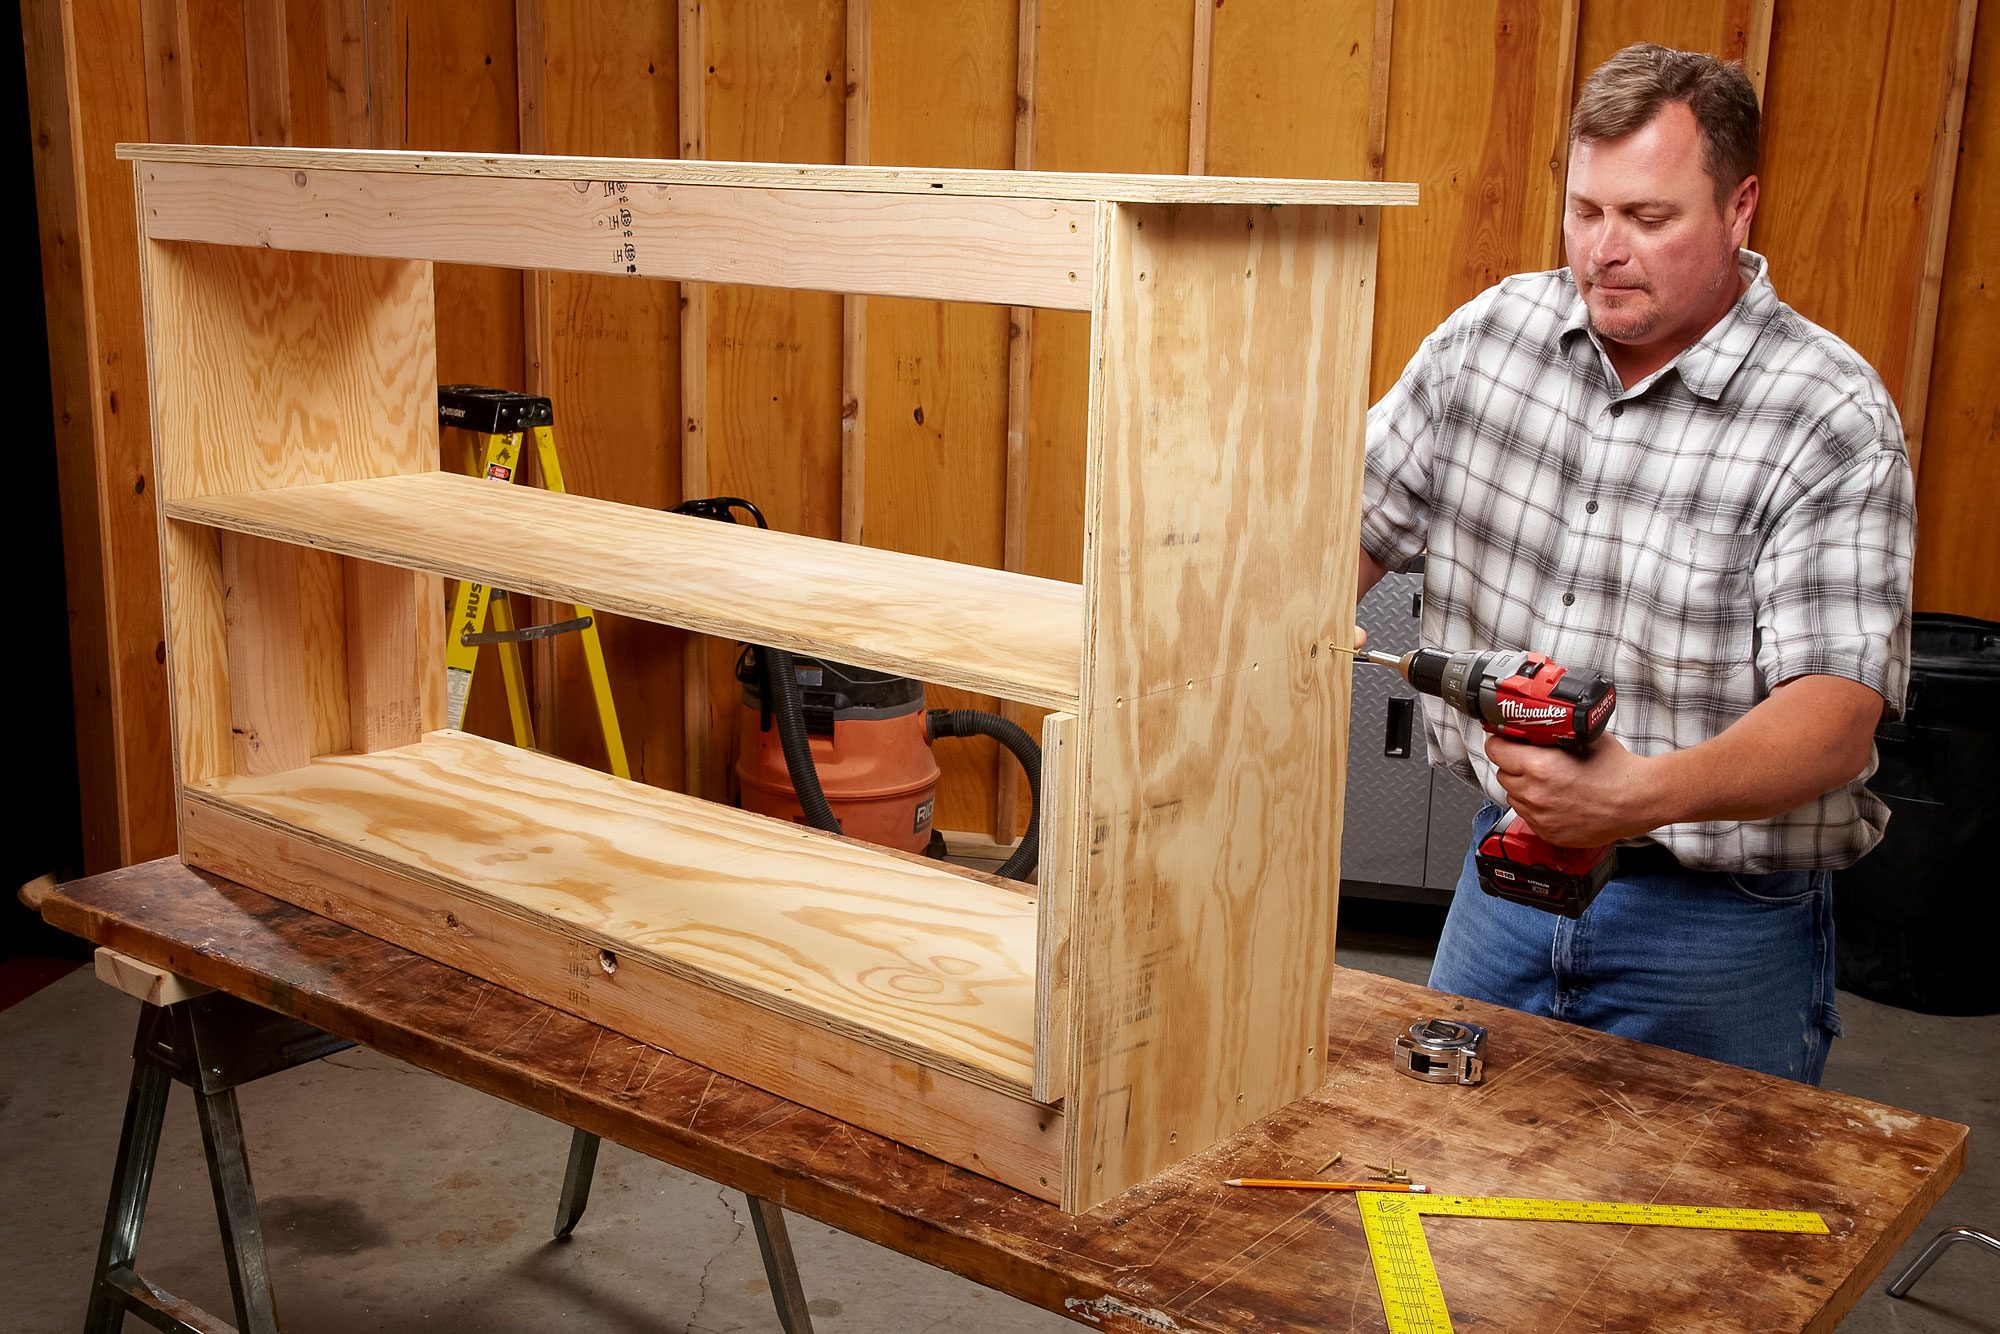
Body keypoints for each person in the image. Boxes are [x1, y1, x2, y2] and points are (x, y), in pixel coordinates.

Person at [1357, 43, 1915, 1084]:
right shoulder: (1489, 340)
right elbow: (1336, 535)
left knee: (1701, 1235)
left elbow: (1834, 718)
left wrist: (1639, 794)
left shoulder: (1825, 415)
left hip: (1716, 931)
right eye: (1584, 211)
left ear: (1737, 206)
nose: (1603, 249)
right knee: (1443, 1205)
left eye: (1648, 218)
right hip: (1501, 892)